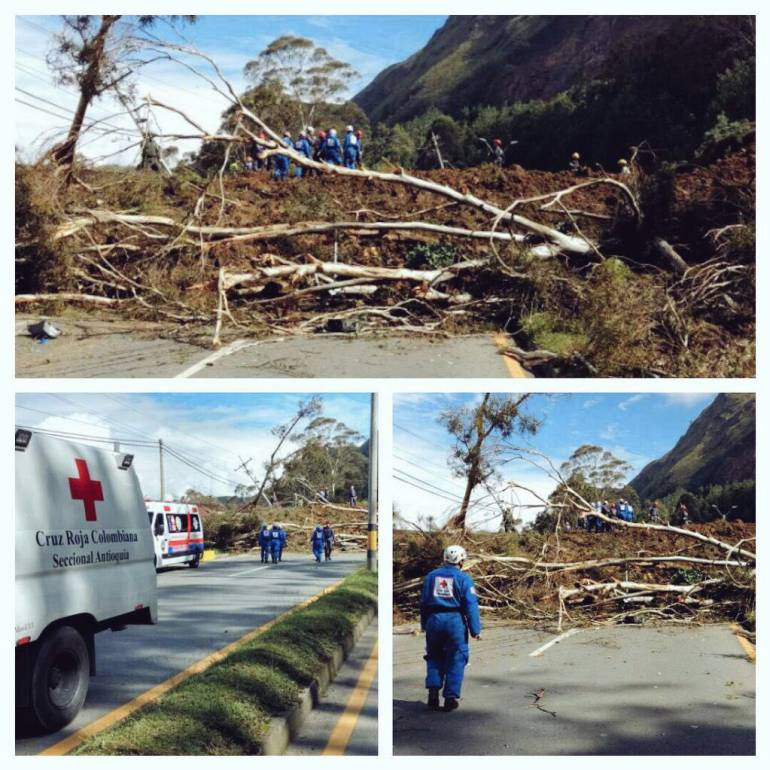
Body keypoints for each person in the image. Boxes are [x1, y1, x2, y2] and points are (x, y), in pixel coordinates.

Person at [420, 545, 481, 712]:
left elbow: (424, 603)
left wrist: (424, 624)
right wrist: (475, 630)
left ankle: (433, 691)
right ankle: (450, 698)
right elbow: (471, 605)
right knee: (456, 658)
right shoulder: (464, 579)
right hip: (455, 621)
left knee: (434, 656)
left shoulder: (430, 577)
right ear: (461, 560)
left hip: (434, 620)